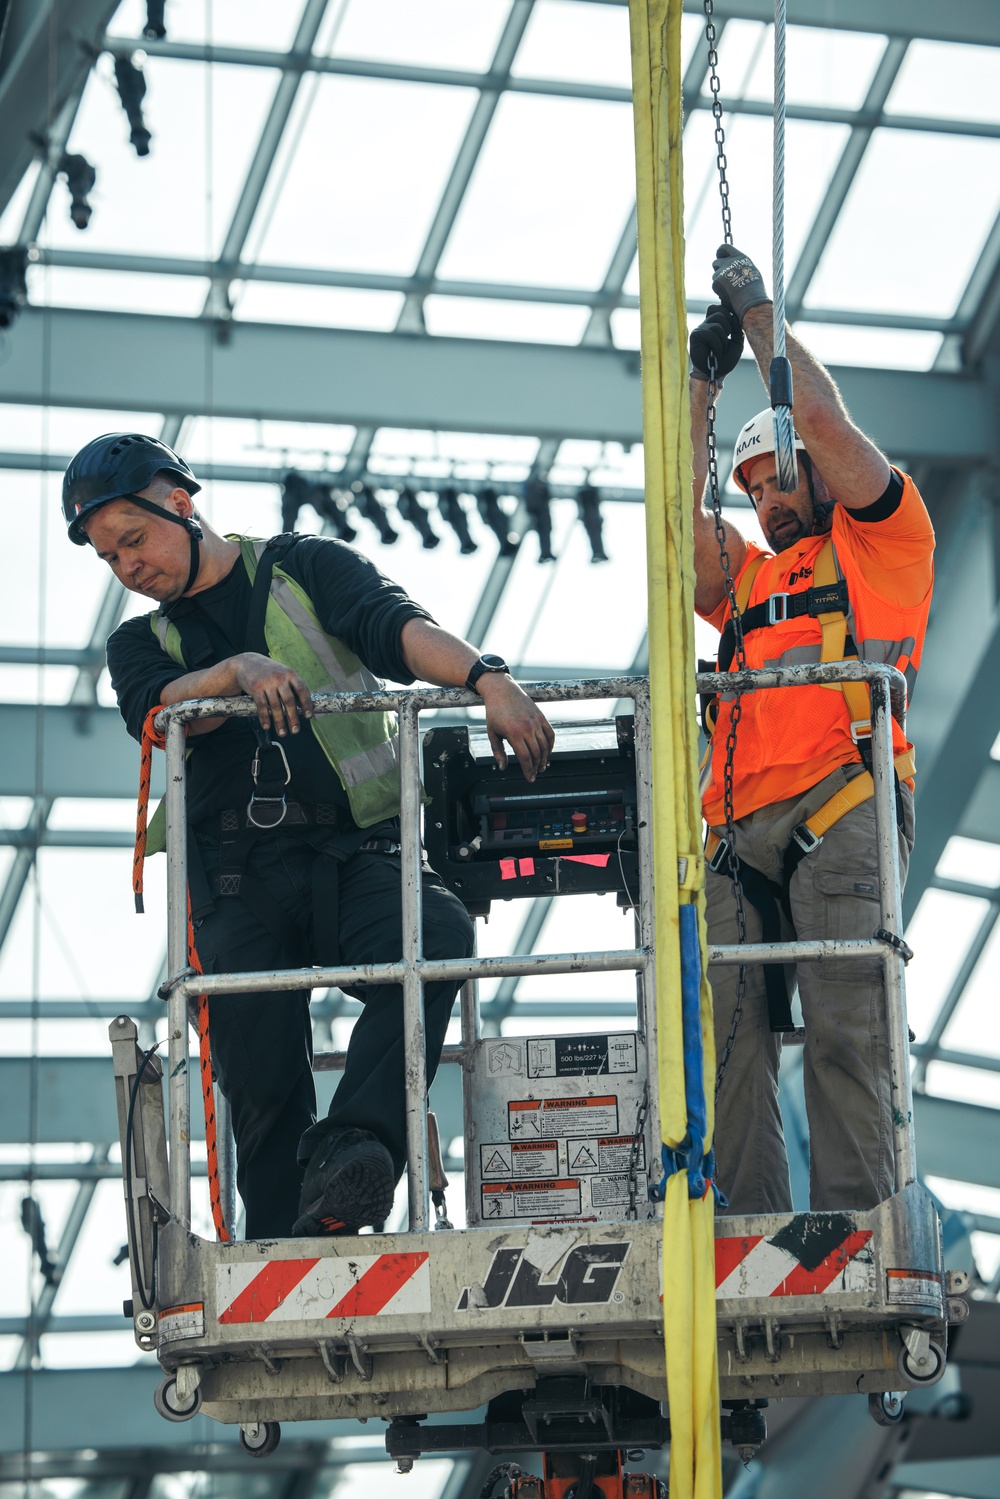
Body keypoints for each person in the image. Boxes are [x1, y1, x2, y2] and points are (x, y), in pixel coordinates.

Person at [63, 433, 555, 1240]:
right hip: (233, 884)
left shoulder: (303, 568)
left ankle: (357, 1148)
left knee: (435, 933)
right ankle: (284, 1252)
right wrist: (236, 672)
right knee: (262, 1088)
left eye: (133, 538)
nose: (127, 567)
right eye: (109, 557)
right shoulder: (139, 645)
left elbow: (394, 627)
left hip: (353, 853)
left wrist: (486, 678)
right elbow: (155, 710)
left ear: (180, 505)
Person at [688, 245, 934, 1216]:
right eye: (749, 490)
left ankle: (861, 1232)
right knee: (725, 1049)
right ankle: (750, 1237)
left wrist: (756, 317)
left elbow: (825, 421)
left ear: (812, 472)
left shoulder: (883, 538)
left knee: (846, 1032)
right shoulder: (745, 578)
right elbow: (676, 525)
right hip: (738, 838)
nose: (764, 500)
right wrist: (694, 392)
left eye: (776, 479)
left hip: (842, 807)